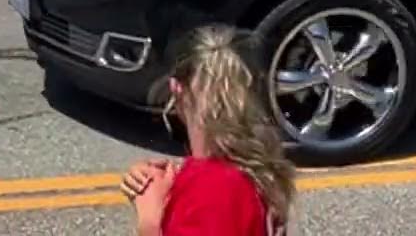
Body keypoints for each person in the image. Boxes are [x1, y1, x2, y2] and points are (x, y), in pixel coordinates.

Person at [120, 25, 296, 236]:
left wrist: (149, 221)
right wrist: (164, 188)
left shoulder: (211, 190)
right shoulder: (251, 168)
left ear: (176, 88)